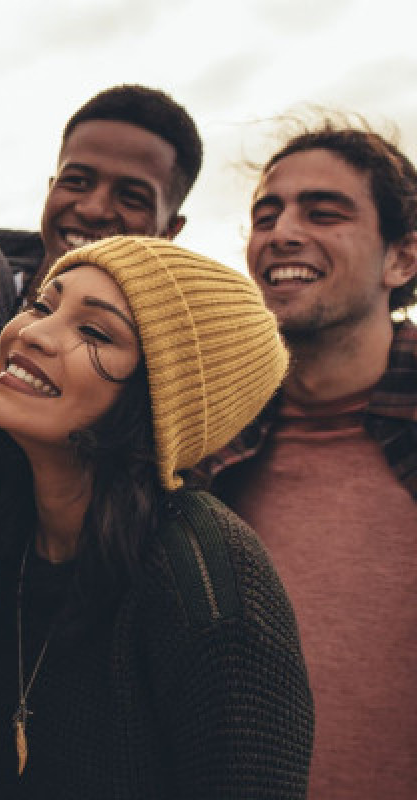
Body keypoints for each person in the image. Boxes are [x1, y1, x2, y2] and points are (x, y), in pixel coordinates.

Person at [0, 236, 313, 798]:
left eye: (95, 333)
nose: (33, 333)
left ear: (164, 399)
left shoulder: (211, 583)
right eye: (43, 306)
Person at [193, 121, 417, 798]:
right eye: (267, 214)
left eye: (325, 212)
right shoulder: (202, 443)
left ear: (402, 260)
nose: (282, 232)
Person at [0, 84, 203, 390]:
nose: (93, 209)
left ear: (169, 232)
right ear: (52, 187)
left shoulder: (168, 376)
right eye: (77, 181)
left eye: (132, 198)